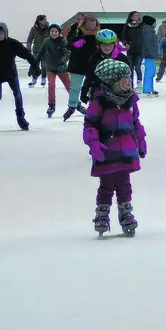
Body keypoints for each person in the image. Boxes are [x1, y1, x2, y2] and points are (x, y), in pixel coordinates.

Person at [83, 58, 146, 238]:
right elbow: (90, 125)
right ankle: (102, 215)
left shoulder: (130, 100)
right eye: (124, 79)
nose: (129, 82)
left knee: (125, 184)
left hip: (126, 151)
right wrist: (93, 143)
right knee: (107, 186)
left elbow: (136, 122)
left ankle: (126, 213)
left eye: (129, 78)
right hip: (107, 152)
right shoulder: (99, 102)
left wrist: (140, 140)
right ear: (113, 82)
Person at [59, 13, 101, 121]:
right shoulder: (77, 30)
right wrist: (76, 43)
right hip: (77, 64)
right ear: (84, 22)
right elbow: (68, 44)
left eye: (93, 21)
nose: (91, 24)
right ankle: (72, 106)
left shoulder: (100, 34)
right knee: (75, 87)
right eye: (89, 21)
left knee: (93, 87)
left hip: (93, 65)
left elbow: (107, 45)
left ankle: (93, 107)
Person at [37, 23, 71, 118]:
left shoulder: (63, 41)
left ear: (59, 32)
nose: (54, 33)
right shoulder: (46, 41)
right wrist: (34, 64)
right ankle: (51, 105)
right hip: (50, 67)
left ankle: (76, 102)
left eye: (56, 31)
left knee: (69, 86)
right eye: (52, 31)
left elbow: (67, 52)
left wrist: (62, 61)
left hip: (61, 68)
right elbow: (40, 52)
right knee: (51, 85)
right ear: (49, 32)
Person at [137, 15, 162, 97]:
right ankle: (147, 90)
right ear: (151, 23)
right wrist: (154, 55)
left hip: (150, 55)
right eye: (155, 22)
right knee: (150, 73)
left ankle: (150, 88)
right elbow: (149, 45)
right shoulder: (148, 32)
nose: (155, 24)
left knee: (151, 72)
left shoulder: (149, 31)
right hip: (150, 55)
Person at [121, 10, 147, 83]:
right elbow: (123, 38)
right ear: (131, 17)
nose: (137, 16)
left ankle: (139, 83)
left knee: (138, 68)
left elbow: (145, 37)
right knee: (130, 69)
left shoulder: (142, 26)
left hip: (140, 50)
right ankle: (130, 84)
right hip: (130, 51)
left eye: (138, 15)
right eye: (135, 15)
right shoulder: (127, 26)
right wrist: (126, 43)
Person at [25, 14, 50, 86]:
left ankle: (43, 78)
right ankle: (34, 78)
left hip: (46, 51)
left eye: (46, 19)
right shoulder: (33, 29)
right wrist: (28, 48)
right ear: (39, 21)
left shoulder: (49, 28)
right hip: (36, 50)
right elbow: (29, 39)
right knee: (34, 64)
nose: (46, 21)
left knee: (44, 65)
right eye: (44, 20)